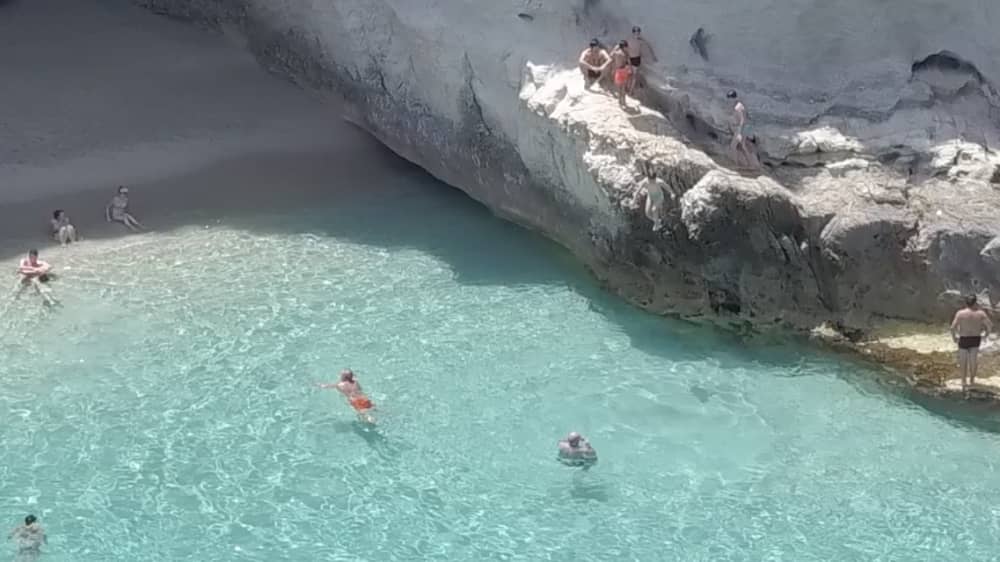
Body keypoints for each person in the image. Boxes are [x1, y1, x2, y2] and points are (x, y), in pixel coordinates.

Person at [950, 294, 993, 391]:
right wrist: (986, 335)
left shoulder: (960, 313)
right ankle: (972, 381)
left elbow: (952, 328)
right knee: (973, 361)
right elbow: (990, 325)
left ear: (966, 303)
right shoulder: (981, 313)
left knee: (963, 361)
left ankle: (963, 381)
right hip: (975, 339)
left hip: (964, 338)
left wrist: (954, 338)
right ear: (975, 302)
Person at [727, 90, 761, 170]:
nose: (729, 101)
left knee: (733, 146)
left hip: (741, 129)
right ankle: (751, 165)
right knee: (743, 146)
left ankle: (736, 164)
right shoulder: (740, 105)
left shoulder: (737, 107)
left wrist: (739, 133)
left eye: (730, 99)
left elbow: (742, 120)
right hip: (744, 129)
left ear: (733, 98)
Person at [626, 26, 658, 94]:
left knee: (634, 75)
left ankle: (631, 90)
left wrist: (653, 56)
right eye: (636, 32)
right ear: (633, 32)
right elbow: (625, 47)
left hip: (636, 59)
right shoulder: (629, 39)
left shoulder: (641, 40)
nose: (637, 33)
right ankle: (628, 87)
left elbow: (649, 45)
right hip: (629, 58)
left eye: (638, 32)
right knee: (629, 74)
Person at [639, 164, 668, 231]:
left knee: (654, 209)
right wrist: (634, 200)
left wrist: (672, 193)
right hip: (650, 196)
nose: (651, 181)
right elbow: (638, 191)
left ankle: (657, 224)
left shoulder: (659, 181)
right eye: (650, 180)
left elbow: (667, 187)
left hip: (659, 196)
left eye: (653, 180)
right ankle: (658, 221)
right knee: (647, 213)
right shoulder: (645, 181)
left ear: (655, 178)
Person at [610, 40, 633, 107]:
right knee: (623, 88)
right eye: (626, 46)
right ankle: (624, 101)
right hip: (624, 71)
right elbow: (629, 63)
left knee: (619, 88)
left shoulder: (616, 53)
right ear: (624, 47)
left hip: (618, 71)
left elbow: (611, 55)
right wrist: (630, 70)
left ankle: (620, 101)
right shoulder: (625, 54)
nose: (627, 48)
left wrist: (616, 47)